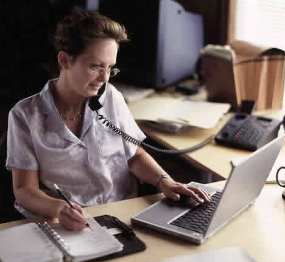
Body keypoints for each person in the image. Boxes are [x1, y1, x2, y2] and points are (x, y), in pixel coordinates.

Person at [6, 9, 210, 231]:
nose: (104, 78)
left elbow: (134, 155)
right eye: (95, 66)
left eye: (110, 68)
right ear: (64, 60)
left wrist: (165, 181)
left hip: (123, 213)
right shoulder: (25, 115)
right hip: (71, 222)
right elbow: (24, 190)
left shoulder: (111, 96)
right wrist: (59, 209)